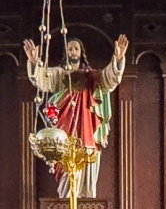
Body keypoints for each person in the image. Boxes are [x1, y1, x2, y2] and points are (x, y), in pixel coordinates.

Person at [23, 33, 128, 198]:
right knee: (65, 159)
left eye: (76, 49)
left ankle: (87, 198)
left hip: (88, 128)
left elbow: (109, 79)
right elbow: (42, 79)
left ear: (81, 52)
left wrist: (118, 59)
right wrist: (34, 62)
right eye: (70, 49)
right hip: (65, 127)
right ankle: (67, 199)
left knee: (88, 157)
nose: (73, 52)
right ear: (66, 52)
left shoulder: (92, 76)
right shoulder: (59, 74)